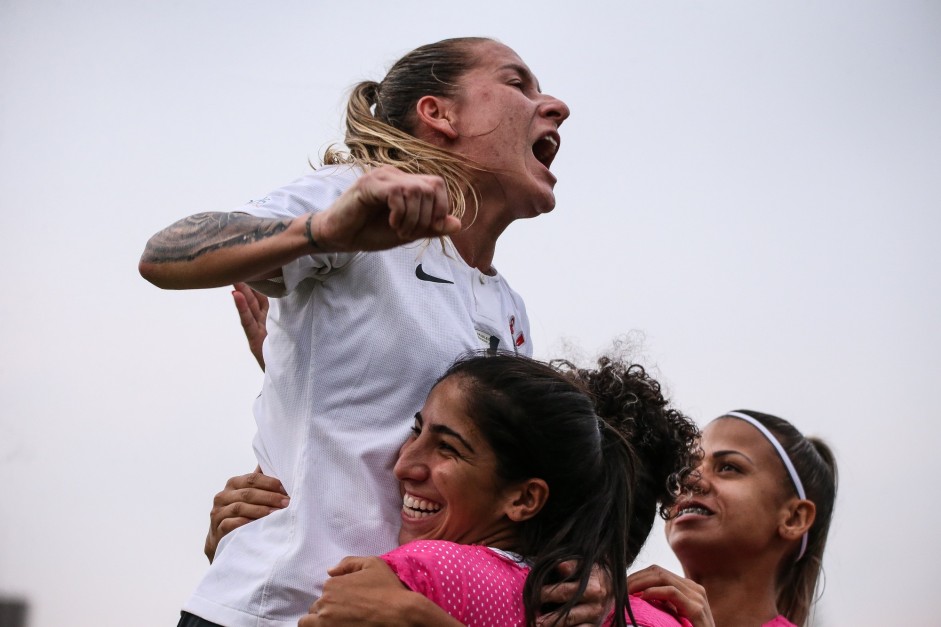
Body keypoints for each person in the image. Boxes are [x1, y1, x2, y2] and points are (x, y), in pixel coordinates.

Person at [139, 37, 570, 626]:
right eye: (518, 84)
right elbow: (164, 255)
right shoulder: (357, 199)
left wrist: (580, 572)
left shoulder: (509, 308)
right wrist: (320, 232)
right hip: (275, 610)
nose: (555, 106)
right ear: (438, 113)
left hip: (396, 613)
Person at [208, 348, 701, 627]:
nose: (403, 463)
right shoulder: (665, 619)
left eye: (448, 447)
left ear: (526, 498)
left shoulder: (419, 575)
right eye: (416, 429)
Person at [627, 411, 838, 627]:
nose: (689, 479)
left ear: (794, 518)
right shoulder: (622, 612)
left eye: (728, 468)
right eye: (686, 466)